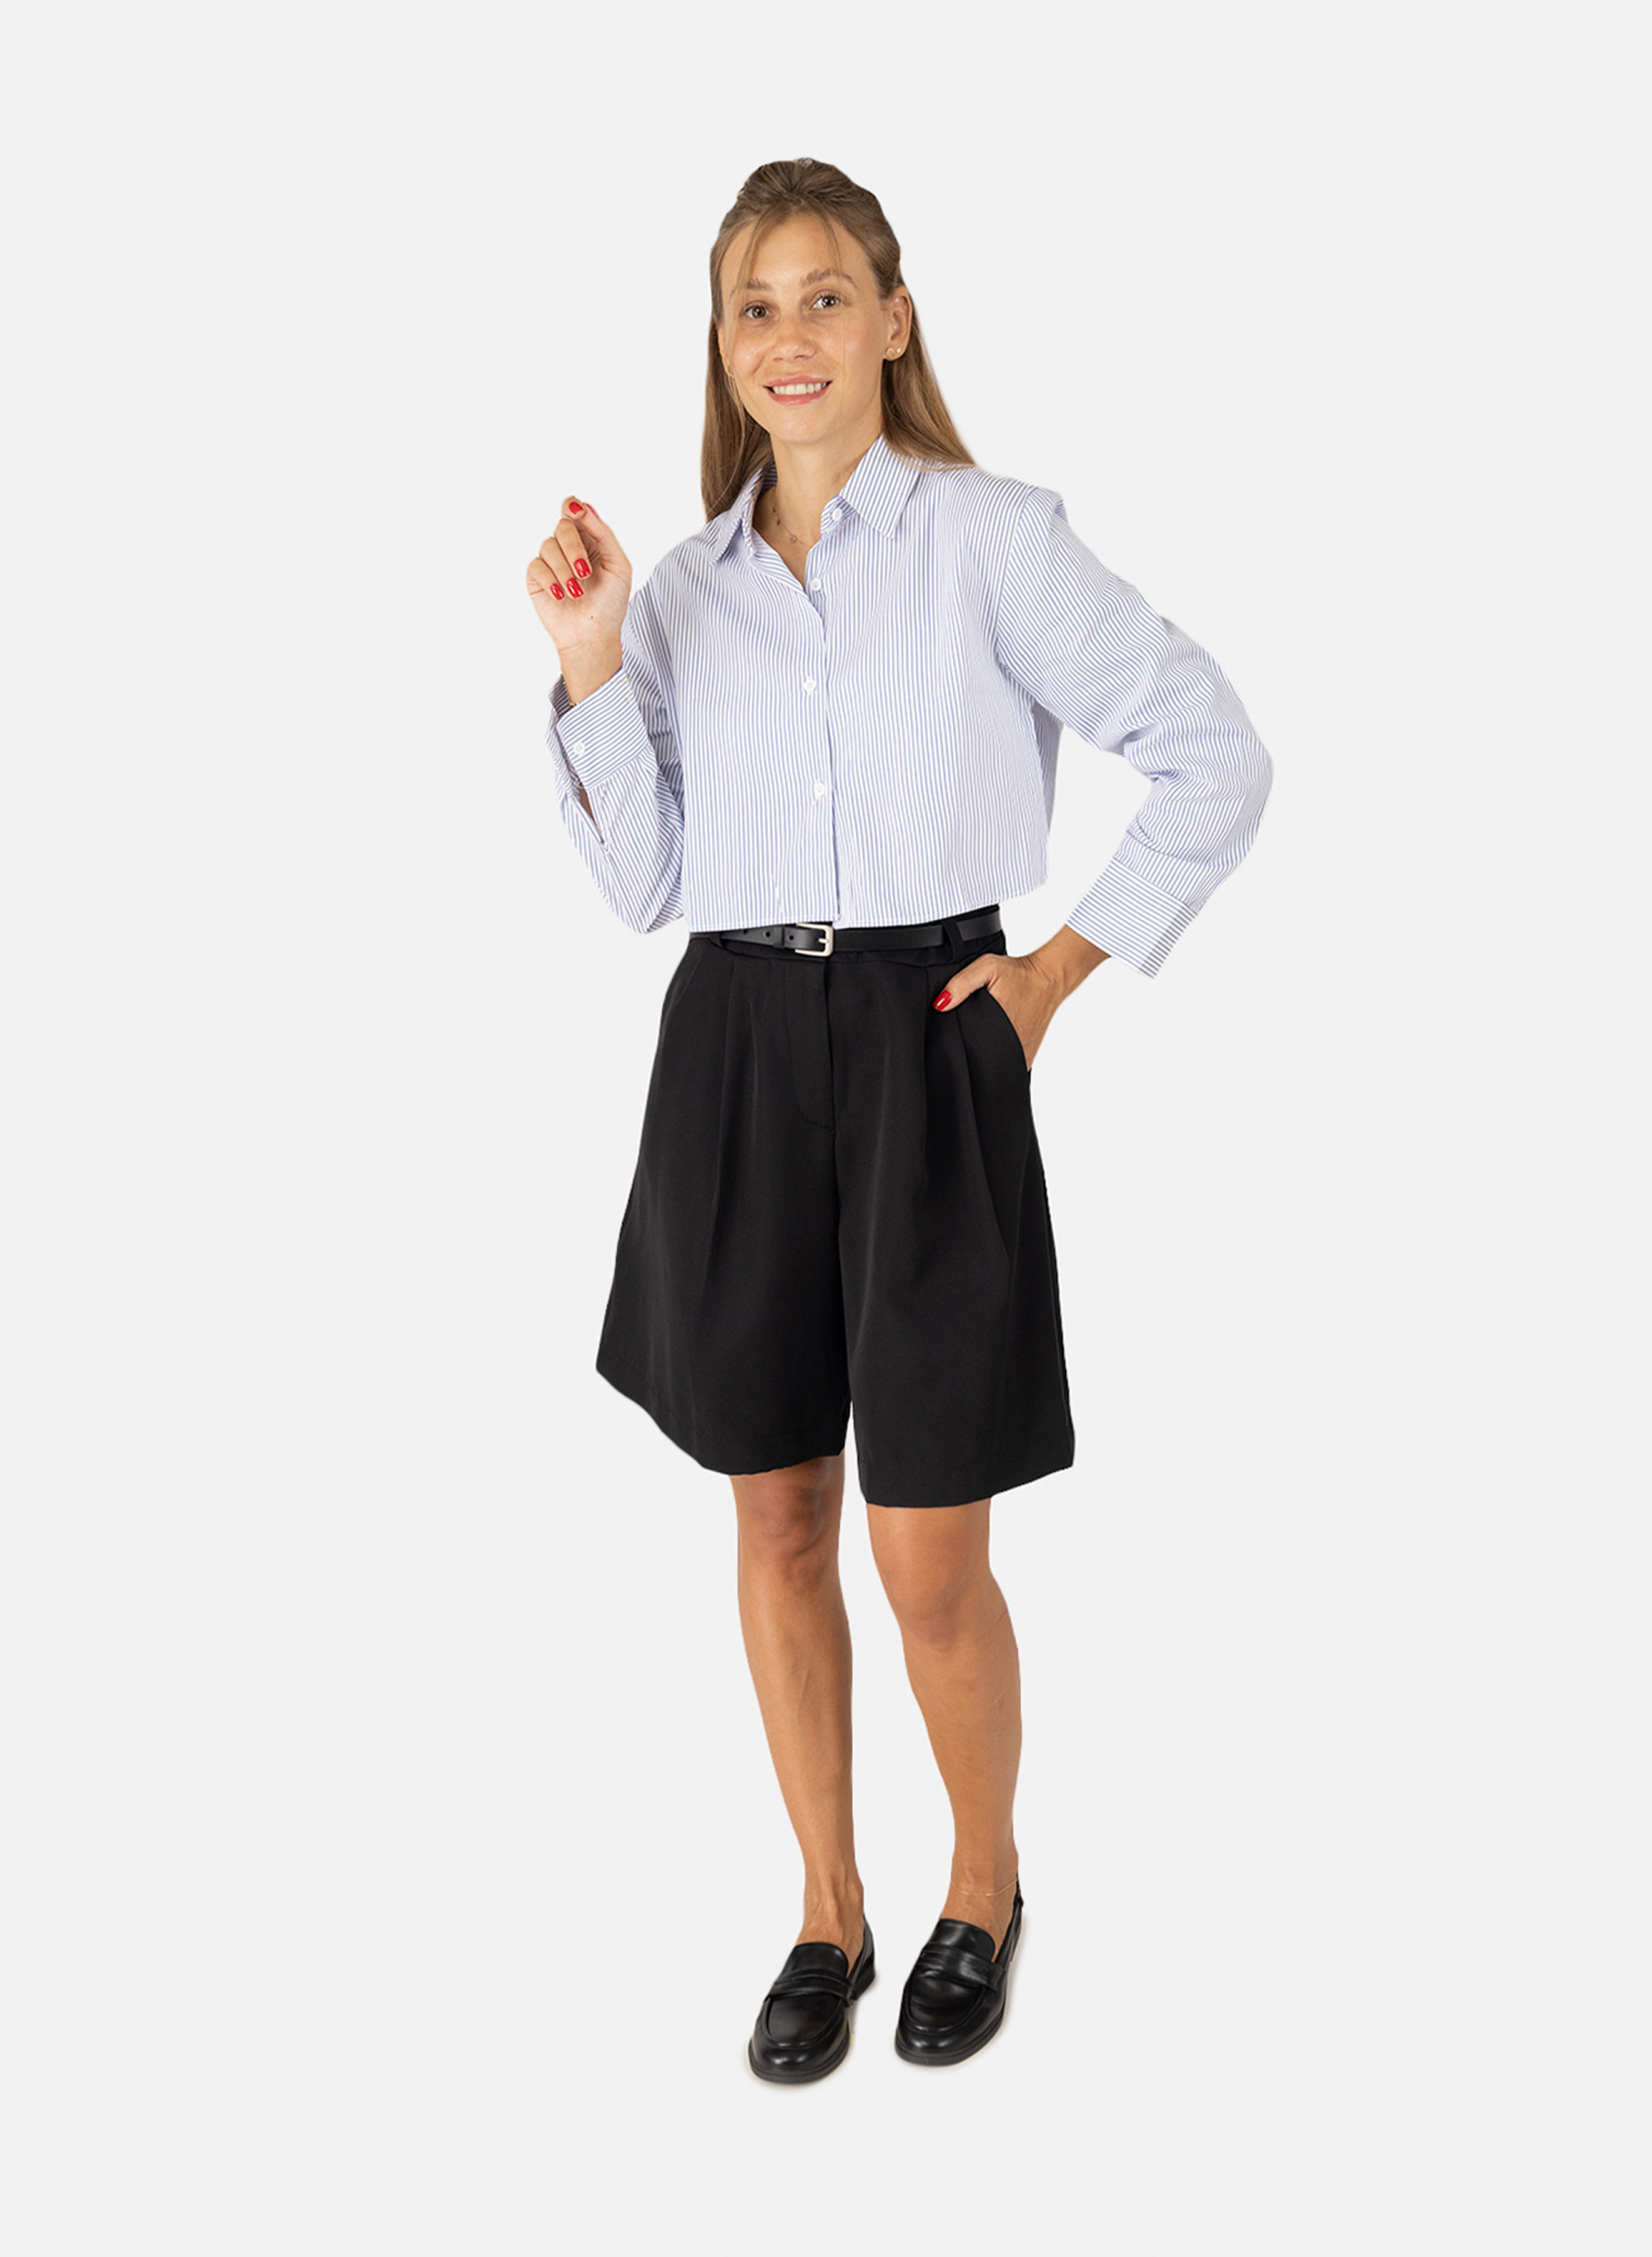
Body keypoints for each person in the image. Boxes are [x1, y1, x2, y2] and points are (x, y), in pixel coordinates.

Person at [526, 158, 1272, 2081]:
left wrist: (1052, 976)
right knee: (776, 1513)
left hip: (933, 1035)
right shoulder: (681, 593)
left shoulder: (988, 541)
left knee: (927, 1549)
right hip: (734, 1046)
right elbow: (641, 887)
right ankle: (825, 1910)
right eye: (752, 305)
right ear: (721, 344)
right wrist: (591, 665)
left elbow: (1210, 753)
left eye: (822, 295)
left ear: (890, 319)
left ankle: (981, 1884)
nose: (788, 336)